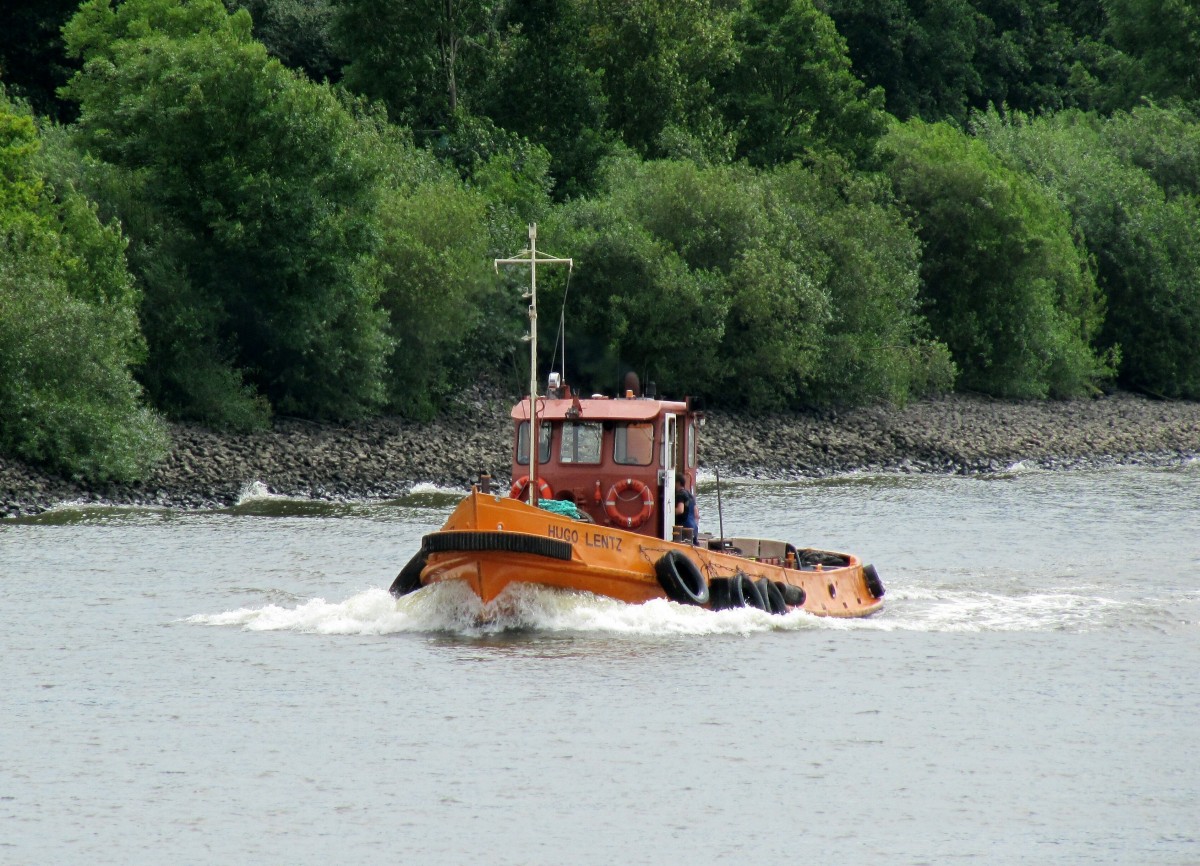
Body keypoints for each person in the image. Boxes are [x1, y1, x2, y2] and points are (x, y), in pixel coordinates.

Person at [674, 473, 698, 540]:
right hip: (693, 527)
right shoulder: (689, 494)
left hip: (684, 527)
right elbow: (696, 513)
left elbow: (680, 510)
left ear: (678, 483)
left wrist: (668, 512)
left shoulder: (680, 494)